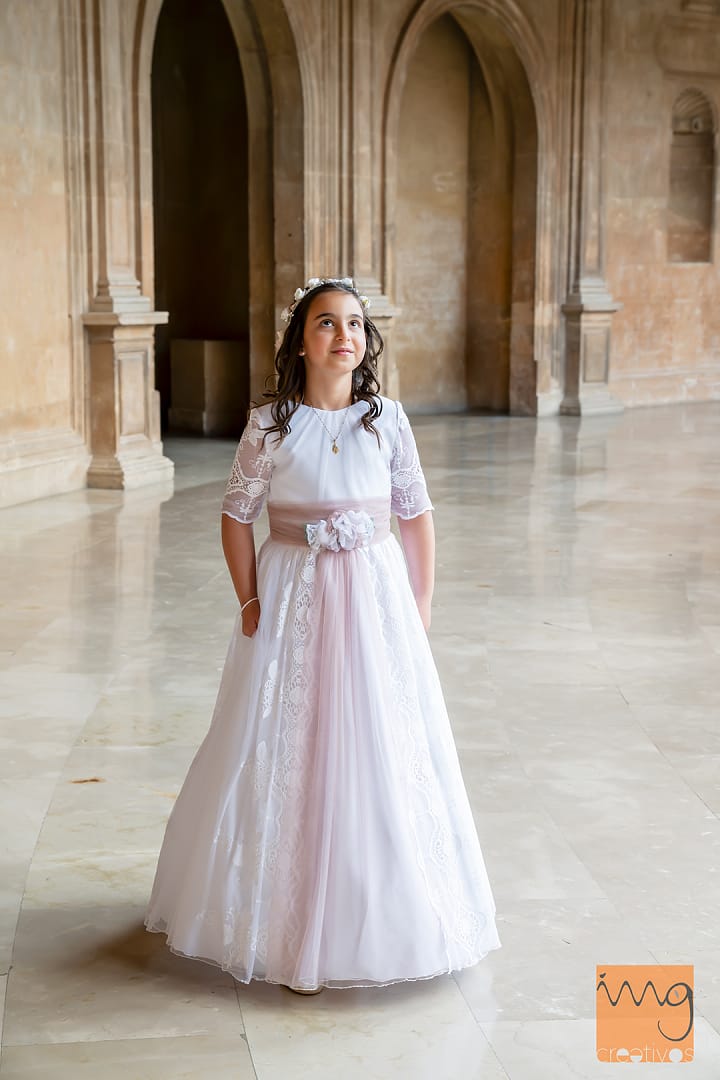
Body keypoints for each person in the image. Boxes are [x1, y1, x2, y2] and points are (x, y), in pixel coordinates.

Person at [144, 276, 501, 993]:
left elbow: (416, 515)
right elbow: (235, 514)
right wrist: (249, 597)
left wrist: (419, 602)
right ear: (301, 342)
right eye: (327, 323)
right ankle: (284, 921)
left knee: (377, 740)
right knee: (287, 738)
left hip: (373, 599)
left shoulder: (386, 420)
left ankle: (385, 914)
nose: (345, 336)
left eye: (355, 324)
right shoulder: (271, 425)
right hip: (293, 595)